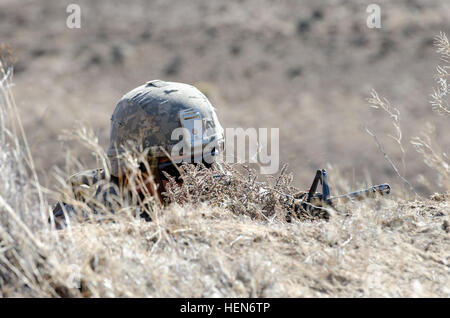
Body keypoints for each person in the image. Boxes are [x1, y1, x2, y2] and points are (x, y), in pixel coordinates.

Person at [52, 79, 225, 226]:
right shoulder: (90, 228)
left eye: (207, 162)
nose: (198, 180)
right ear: (133, 174)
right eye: (178, 171)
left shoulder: (228, 206)